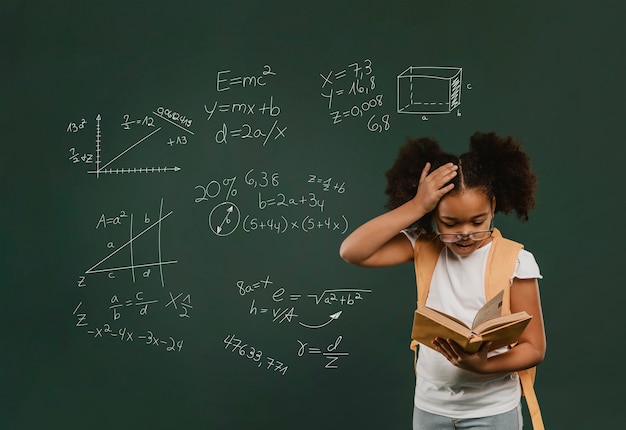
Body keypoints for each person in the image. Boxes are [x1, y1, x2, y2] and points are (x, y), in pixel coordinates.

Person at [339, 132, 546, 429]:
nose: (465, 233)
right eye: (450, 223)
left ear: (494, 207)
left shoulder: (516, 261)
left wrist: (484, 365)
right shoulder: (423, 245)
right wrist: (416, 207)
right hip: (430, 407)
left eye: (478, 222)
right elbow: (352, 251)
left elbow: (534, 348)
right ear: (434, 215)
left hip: (493, 410)